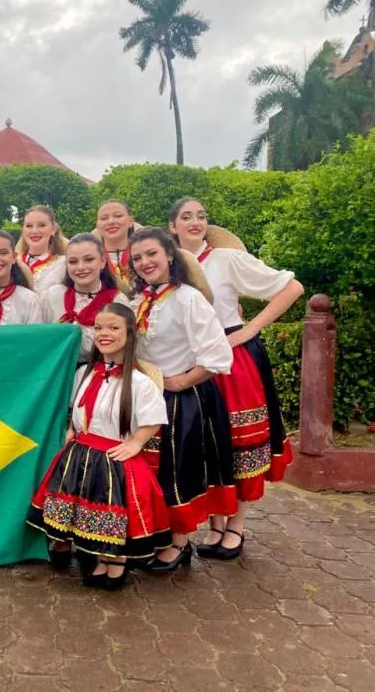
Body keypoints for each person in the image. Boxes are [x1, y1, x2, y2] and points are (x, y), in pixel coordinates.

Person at [169, 197, 303, 559]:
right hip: (191, 359)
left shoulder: (227, 259)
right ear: (172, 227)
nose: (195, 222)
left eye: (201, 216)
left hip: (232, 358)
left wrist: (248, 329)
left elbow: (292, 288)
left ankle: (236, 527)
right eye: (186, 217)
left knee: (240, 442)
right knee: (209, 441)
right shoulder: (171, 264)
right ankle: (215, 524)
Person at [27, 303, 171, 590]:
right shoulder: (85, 374)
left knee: (110, 511)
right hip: (81, 452)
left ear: (130, 334)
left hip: (112, 456)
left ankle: (115, 563)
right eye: (99, 328)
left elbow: (154, 418)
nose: (104, 333)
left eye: (113, 328)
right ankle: (97, 557)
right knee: (86, 509)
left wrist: (136, 442)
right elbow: (77, 409)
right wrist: (71, 429)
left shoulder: (140, 382)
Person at [120, 227, 236, 572]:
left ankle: (179, 543)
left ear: (170, 255)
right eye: (137, 258)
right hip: (146, 395)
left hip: (181, 398)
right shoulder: (136, 302)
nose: (145, 262)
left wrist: (178, 382)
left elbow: (217, 356)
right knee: (148, 471)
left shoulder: (188, 298)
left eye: (152, 254)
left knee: (177, 470)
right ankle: (153, 535)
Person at [41, 233, 121, 361]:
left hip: (98, 375)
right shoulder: (53, 296)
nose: (80, 267)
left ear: (102, 262)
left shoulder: (117, 301)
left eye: (88, 260)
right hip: (57, 374)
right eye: (73, 262)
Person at [18, 205, 67, 294]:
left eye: (42, 225)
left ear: (53, 229)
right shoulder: (13, 262)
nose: (34, 231)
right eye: (29, 226)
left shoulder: (63, 264)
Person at [94, 199, 137, 287]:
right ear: (97, 226)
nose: (111, 222)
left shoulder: (143, 254)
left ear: (131, 221)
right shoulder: (92, 258)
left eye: (118, 216)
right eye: (104, 218)